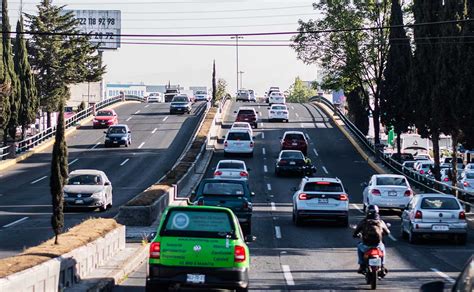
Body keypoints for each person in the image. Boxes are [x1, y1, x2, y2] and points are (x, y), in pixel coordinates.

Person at [353, 205, 390, 274]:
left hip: (366, 245)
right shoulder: (380, 222)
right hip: (378, 245)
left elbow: (356, 232)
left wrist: (355, 235)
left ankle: (361, 265)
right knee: (383, 249)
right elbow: (387, 232)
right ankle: (382, 265)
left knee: (359, 247)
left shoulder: (364, 222)